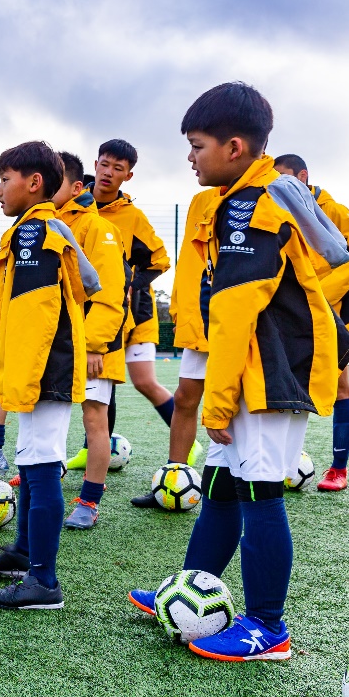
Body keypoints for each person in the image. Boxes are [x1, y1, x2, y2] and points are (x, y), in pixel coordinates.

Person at [130, 82, 349, 661]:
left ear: (233, 146)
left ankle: (268, 626)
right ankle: (187, 588)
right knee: (224, 487)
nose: (190, 157)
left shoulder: (254, 205)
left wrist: (218, 403)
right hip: (259, 368)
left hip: (273, 374)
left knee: (257, 492)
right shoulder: (247, 196)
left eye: (196, 145)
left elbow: (235, 314)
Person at [0, 141, 98, 611]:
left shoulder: (35, 233)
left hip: (45, 367)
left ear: (34, 183)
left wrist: (18, 380)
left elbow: (36, 314)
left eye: (5, 179)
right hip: (42, 366)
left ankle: (44, 582)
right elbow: (87, 283)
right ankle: (26, 553)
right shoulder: (42, 230)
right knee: (31, 463)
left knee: (43, 464)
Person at [51, 152, 127, 529]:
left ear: (76, 187)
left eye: (56, 180)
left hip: (95, 346)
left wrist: (96, 344)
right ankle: (48, 478)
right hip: (58, 344)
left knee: (95, 420)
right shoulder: (45, 223)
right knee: (51, 415)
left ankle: (89, 501)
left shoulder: (99, 228)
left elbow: (112, 294)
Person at [129, 186, 219, 508]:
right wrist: (182, 306)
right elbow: (190, 262)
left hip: (234, 321)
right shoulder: (200, 200)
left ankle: (242, 481)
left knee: (239, 405)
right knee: (184, 398)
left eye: (198, 147)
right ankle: (174, 480)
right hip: (199, 318)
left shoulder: (255, 195)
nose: (191, 158)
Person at [90, 139, 175, 471]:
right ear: (95, 164)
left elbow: (160, 260)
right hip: (92, 311)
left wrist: (129, 285)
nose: (109, 173)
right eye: (105, 164)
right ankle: (92, 448)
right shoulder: (75, 207)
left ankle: (188, 440)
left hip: (133, 312)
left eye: (118, 169)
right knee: (99, 385)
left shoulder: (133, 216)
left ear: (129, 176)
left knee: (142, 381)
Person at [272, 154, 349, 491]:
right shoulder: (277, 211)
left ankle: (338, 469)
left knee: (343, 386)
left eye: (286, 178)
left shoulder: (335, 211)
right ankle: (281, 460)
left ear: (303, 176)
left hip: (336, 309)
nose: (278, 186)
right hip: (301, 313)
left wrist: (319, 294)